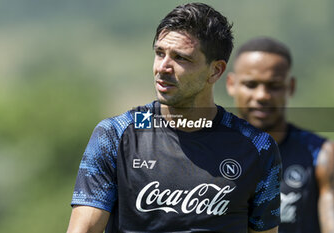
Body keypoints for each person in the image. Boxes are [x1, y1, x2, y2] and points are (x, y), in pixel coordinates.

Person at [66, 4, 281, 233]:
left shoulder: (257, 148)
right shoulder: (115, 136)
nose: (163, 67)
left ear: (216, 71)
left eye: (181, 58)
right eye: (160, 53)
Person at [226, 37, 334, 233]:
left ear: (291, 87)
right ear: (231, 84)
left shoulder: (323, 155)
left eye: (274, 86)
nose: (262, 96)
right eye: (251, 84)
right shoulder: (207, 150)